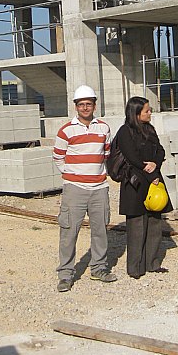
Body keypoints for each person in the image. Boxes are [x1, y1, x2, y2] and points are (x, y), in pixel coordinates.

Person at [53, 85, 117, 292]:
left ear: (94, 105)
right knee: (69, 232)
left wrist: (96, 174)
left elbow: (106, 154)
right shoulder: (66, 131)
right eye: (81, 104)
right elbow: (58, 157)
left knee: (100, 231)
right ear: (76, 107)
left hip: (99, 188)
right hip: (75, 189)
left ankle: (98, 268)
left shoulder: (104, 128)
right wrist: (73, 175)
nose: (85, 108)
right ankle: (65, 274)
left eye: (88, 104)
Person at [115, 96, 172, 279]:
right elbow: (133, 157)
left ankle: (153, 263)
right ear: (136, 113)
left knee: (155, 223)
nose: (150, 113)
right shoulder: (125, 131)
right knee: (137, 226)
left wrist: (155, 164)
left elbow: (161, 151)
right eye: (146, 110)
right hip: (135, 182)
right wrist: (151, 173)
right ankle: (135, 268)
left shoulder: (150, 129)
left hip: (153, 181)